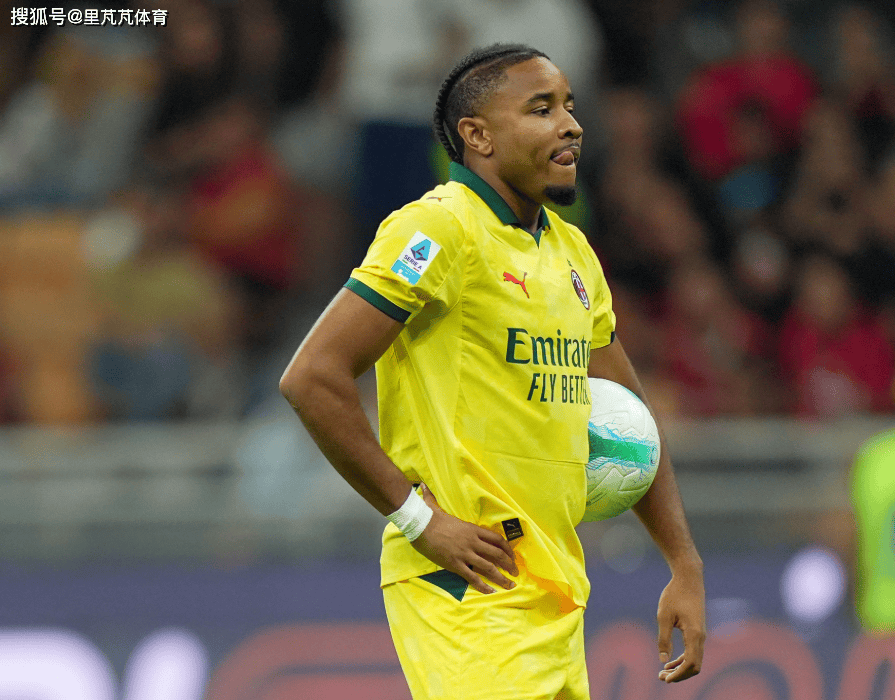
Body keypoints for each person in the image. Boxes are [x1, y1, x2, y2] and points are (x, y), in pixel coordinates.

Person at [279, 43, 706, 699]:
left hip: (553, 589)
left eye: (569, 106)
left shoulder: (572, 252)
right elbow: (312, 377)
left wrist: (683, 561)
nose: (571, 124)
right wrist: (419, 520)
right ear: (477, 136)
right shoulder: (439, 228)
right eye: (541, 109)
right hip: (468, 587)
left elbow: (629, 411)